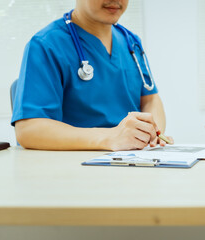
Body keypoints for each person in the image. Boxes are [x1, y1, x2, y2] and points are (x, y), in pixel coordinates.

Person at [11, 0, 173, 151]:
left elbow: (150, 99)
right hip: (73, 166)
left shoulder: (131, 42)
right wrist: (110, 137)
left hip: (132, 159)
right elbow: (29, 129)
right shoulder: (46, 45)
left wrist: (150, 133)